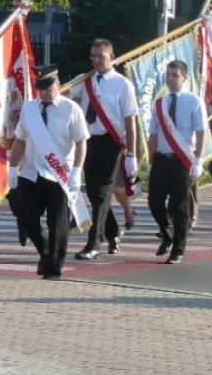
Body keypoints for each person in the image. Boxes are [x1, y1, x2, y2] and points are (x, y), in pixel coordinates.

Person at [9, 64, 88, 279]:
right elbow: (20, 139)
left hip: (59, 174)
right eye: (40, 88)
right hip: (32, 171)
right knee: (25, 215)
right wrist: (11, 168)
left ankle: (53, 267)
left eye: (48, 87)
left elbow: (81, 142)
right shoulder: (29, 109)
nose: (44, 92)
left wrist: (76, 170)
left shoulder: (71, 109)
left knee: (57, 223)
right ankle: (45, 252)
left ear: (58, 84)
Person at [68, 39, 139, 260]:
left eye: (101, 56)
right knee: (92, 191)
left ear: (111, 57)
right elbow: (66, 94)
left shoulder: (122, 84)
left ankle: (94, 243)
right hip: (89, 141)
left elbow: (130, 122)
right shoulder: (86, 80)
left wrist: (131, 155)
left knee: (102, 194)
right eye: (93, 56)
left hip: (112, 142)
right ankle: (113, 230)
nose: (97, 60)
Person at [146, 61, 207, 265]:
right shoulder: (160, 103)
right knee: (154, 201)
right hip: (162, 158)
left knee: (179, 206)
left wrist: (198, 161)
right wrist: (150, 158)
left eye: (175, 75)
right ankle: (167, 233)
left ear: (185, 78)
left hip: (182, 160)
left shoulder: (194, 101)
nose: (170, 78)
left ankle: (178, 249)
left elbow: (200, 132)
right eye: (168, 74)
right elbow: (153, 133)